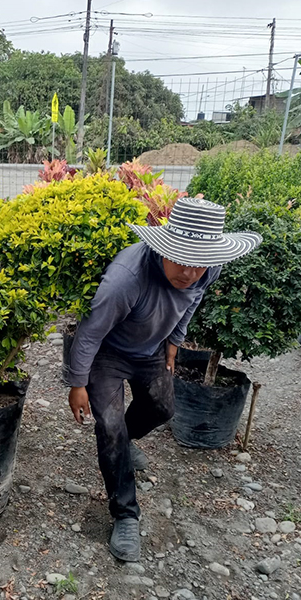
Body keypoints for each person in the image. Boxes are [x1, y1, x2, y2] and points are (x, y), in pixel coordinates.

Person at [66, 197, 262, 562]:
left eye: (199, 263)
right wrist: (77, 383)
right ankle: (125, 513)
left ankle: (119, 447)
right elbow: (90, 333)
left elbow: (192, 300)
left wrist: (174, 341)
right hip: (108, 353)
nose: (190, 272)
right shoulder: (127, 278)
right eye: (183, 260)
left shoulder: (207, 269)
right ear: (164, 248)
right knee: (109, 425)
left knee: (162, 407)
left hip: (151, 350)